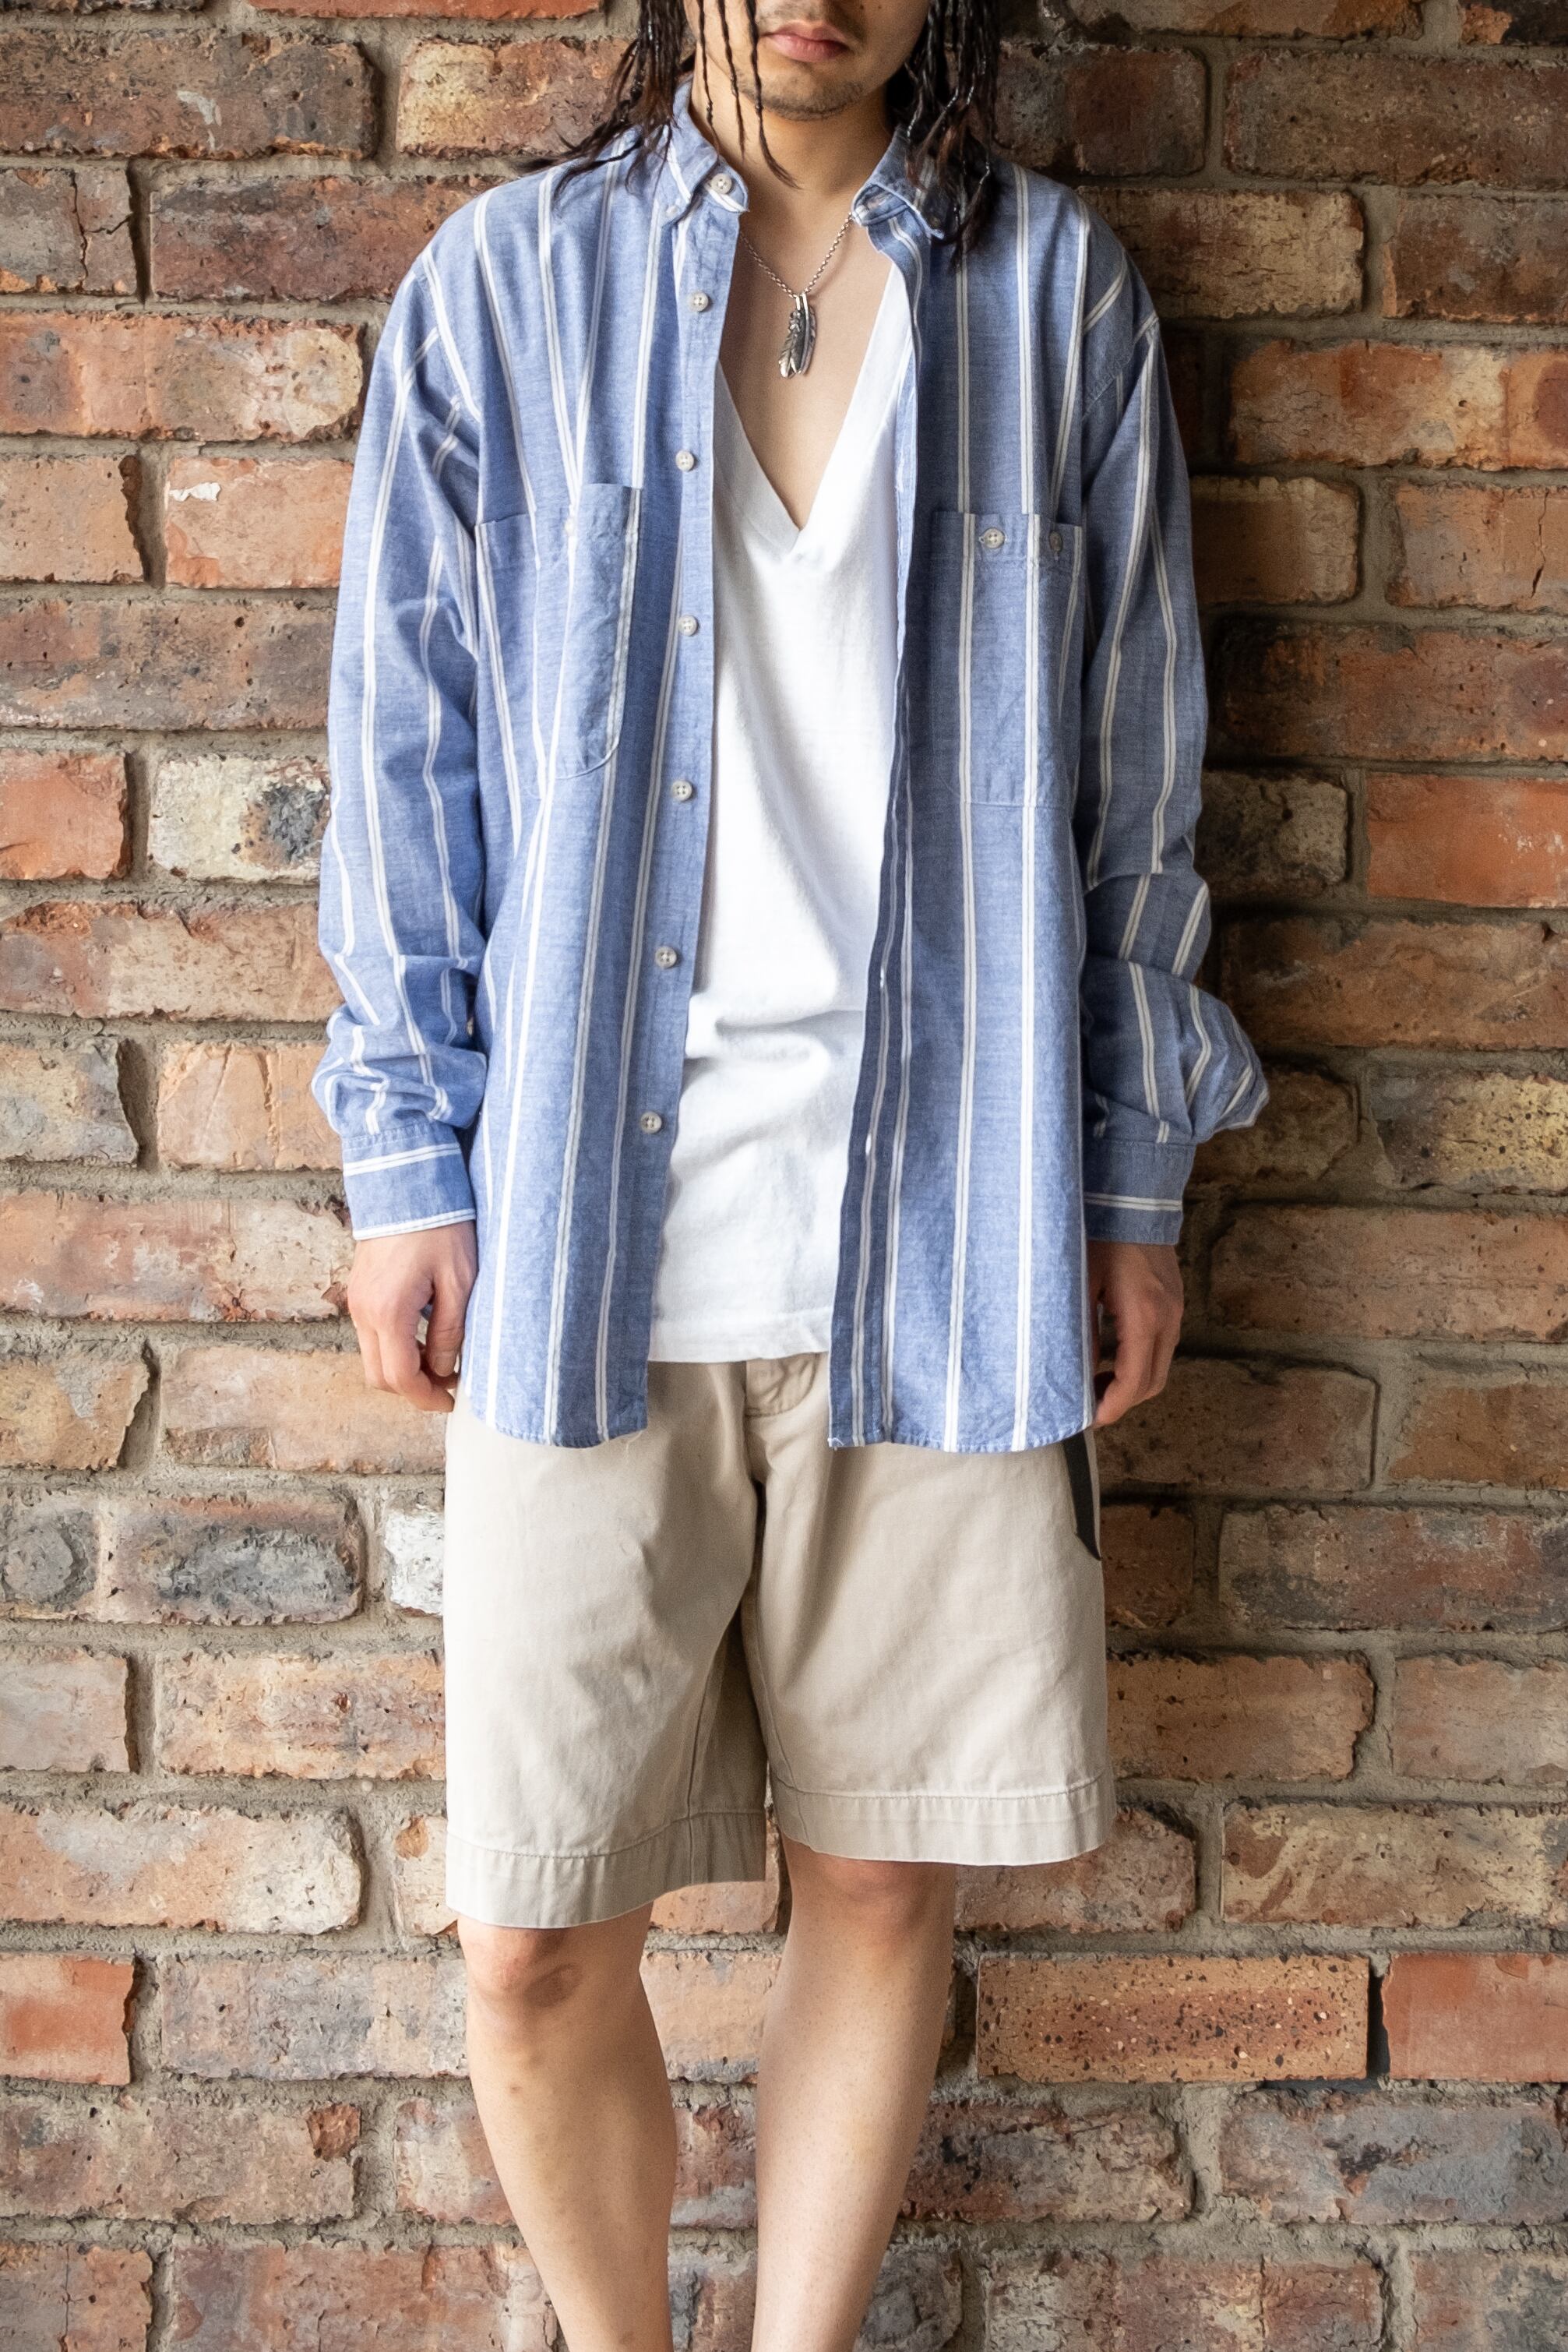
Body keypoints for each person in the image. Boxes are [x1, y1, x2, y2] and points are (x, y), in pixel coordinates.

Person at [310, 1, 1267, 2344]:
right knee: (531, 1936)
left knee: (882, 1877)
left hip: (946, 1225)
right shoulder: (504, 289)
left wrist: (1129, 1174)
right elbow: (404, 751)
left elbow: (1138, 781)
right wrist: (404, 1147)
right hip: (579, 1238)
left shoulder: (1054, 297)